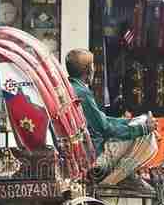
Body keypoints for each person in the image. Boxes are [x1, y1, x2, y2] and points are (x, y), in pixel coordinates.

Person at [66, 49, 158, 192]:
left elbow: (101, 119)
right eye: (93, 66)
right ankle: (124, 176)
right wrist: (143, 129)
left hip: (79, 152)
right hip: (93, 158)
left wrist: (128, 122)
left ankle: (126, 176)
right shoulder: (82, 92)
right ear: (88, 70)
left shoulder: (69, 87)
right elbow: (105, 128)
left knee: (134, 128)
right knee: (143, 136)